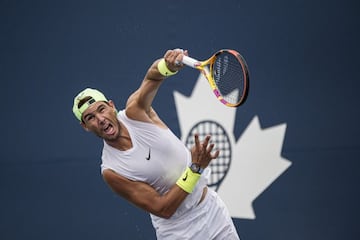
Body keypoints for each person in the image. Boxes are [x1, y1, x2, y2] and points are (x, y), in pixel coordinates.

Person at [72, 49, 240, 239]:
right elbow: (163, 208)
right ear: (85, 126)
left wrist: (167, 66)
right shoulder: (112, 171)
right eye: (90, 118)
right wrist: (195, 168)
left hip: (212, 211)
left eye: (101, 109)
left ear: (111, 105)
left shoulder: (136, 111)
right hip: (180, 232)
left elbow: (152, 77)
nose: (100, 119)